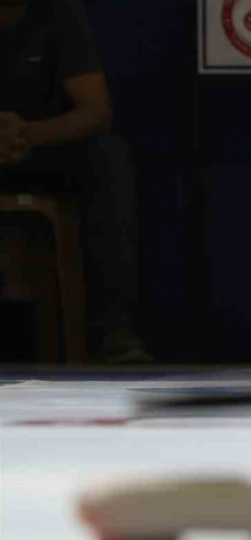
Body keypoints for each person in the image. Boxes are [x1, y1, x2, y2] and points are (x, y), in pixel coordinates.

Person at [0, 0, 151, 363]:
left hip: (38, 149)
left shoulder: (56, 11)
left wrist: (30, 134)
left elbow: (96, 110)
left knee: (107, 155)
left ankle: (111, 330)